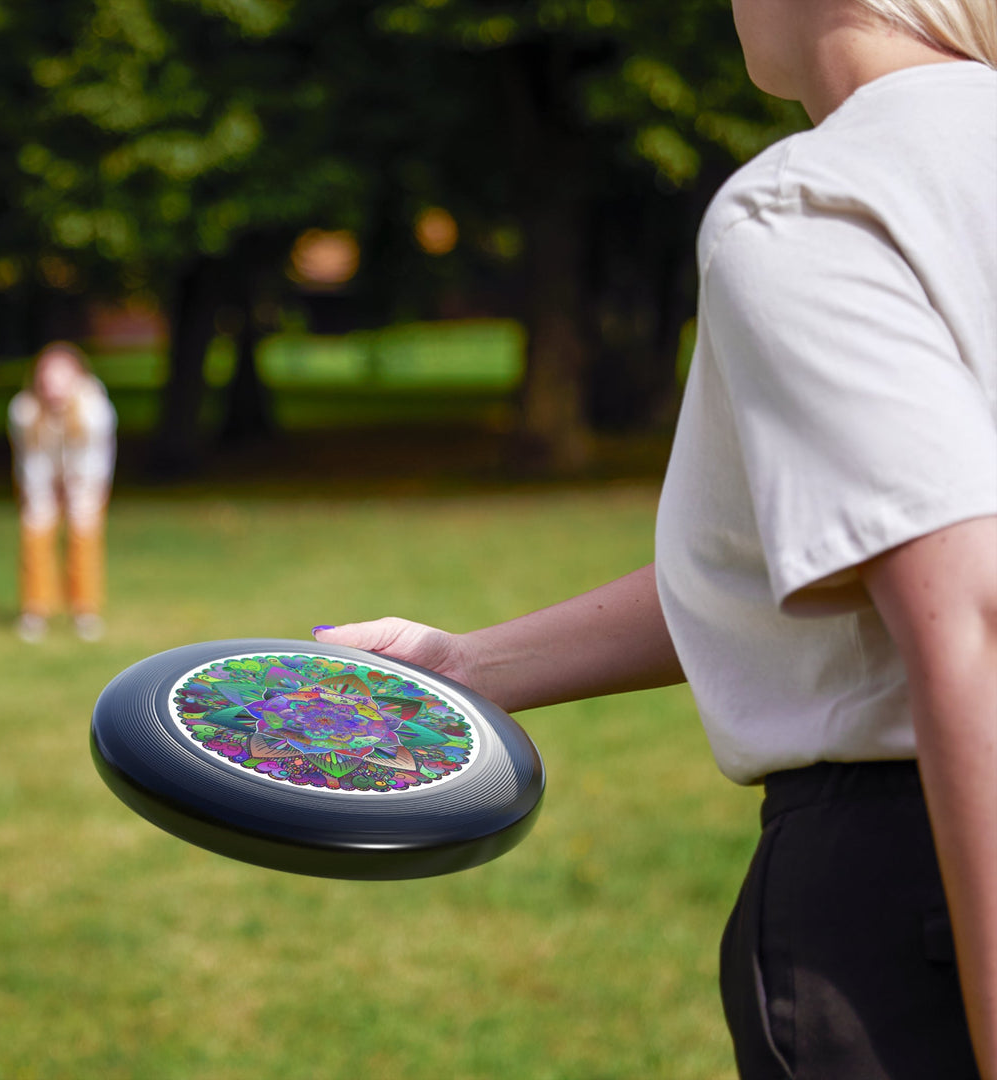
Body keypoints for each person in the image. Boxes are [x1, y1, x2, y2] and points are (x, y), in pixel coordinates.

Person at [312, 2, 997, 1077]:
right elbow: (834, 552)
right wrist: (468, 667)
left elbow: (972, 615)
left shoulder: (817, 202)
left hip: (920, 890)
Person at [8, 341, 117, 642]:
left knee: (84, 534)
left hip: (85, 479)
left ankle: (85, 611)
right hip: (40, 478)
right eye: (47, 377)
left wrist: (77, 492)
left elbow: (94, 460)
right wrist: (43, 495)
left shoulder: (95, 410)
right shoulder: (24, 410)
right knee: (35, 531)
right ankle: (35, 610)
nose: (53, 385)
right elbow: (31, 460)